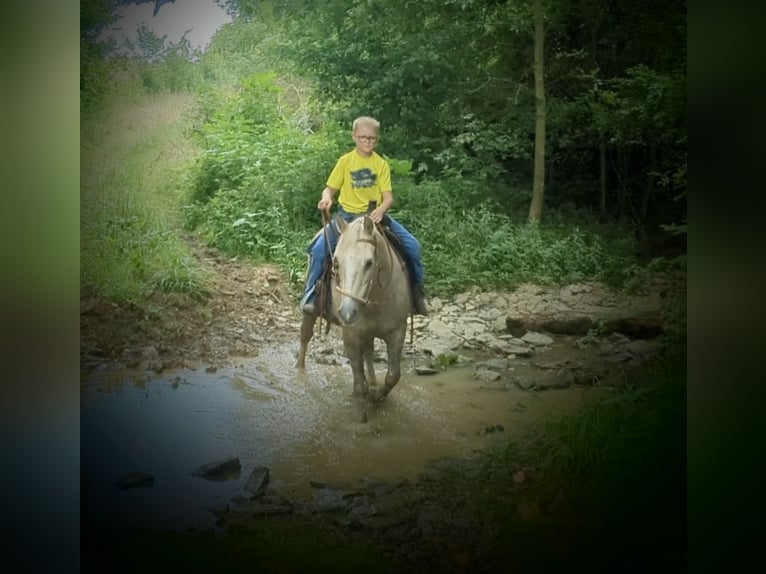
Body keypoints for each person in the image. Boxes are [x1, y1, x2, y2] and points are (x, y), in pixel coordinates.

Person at [299, 116, 428, 316]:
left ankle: (416, 294)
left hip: (374, 218)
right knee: (318, 250)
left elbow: (388, 198)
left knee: (413, 246)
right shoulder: (345, 161)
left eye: (371, 138)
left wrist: (381, 210)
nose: (367, 142)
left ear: (377, 139)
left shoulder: (381, 164)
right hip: (347, 219)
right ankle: (312, 297)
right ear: (354, 137)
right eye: (363, 137)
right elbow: (329, 189)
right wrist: (326, 199)